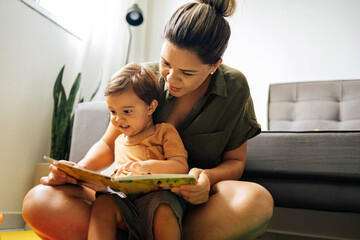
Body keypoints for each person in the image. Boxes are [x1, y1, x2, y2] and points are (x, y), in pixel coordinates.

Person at [22, 0, 274, 239]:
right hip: (125, 202)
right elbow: (110, 144)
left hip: (191, 207)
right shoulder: (143, 78)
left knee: (256, 201)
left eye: (187, 73)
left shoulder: (235, 87)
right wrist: (79, 169)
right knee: (38, 202)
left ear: (214, 65)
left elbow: (235, 162)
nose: (171, 79)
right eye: (166, 63)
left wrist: (206, 178)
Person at [88, 63, 189, 240]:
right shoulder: (119, 140)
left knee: (164, 209)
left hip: (159, 198)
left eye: (127, 111)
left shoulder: (164, 132)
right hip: (125, 201)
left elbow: (181, 167)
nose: (118, 119)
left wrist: (146, 167)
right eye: (113, 111)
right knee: (102, 204)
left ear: (150, 108)